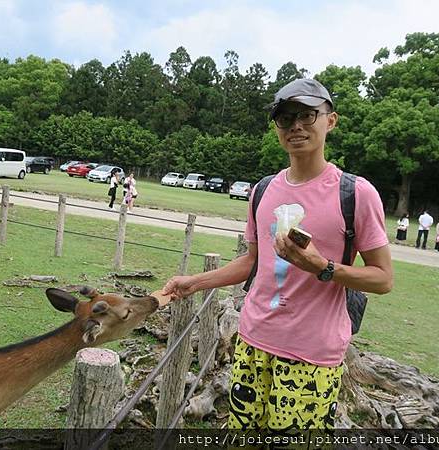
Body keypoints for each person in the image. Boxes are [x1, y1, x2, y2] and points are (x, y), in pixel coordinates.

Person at [163, 78, 393, 432]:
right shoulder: (263, 190)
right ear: (276, 128)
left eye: (307, 115)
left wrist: (322, 267)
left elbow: (383, 279)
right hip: (253, 343)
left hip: (312, 356)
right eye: (286, 118)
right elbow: (254, 261)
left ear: (330, 120)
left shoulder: (357, 193)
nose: (296, 126)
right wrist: (195, 282)